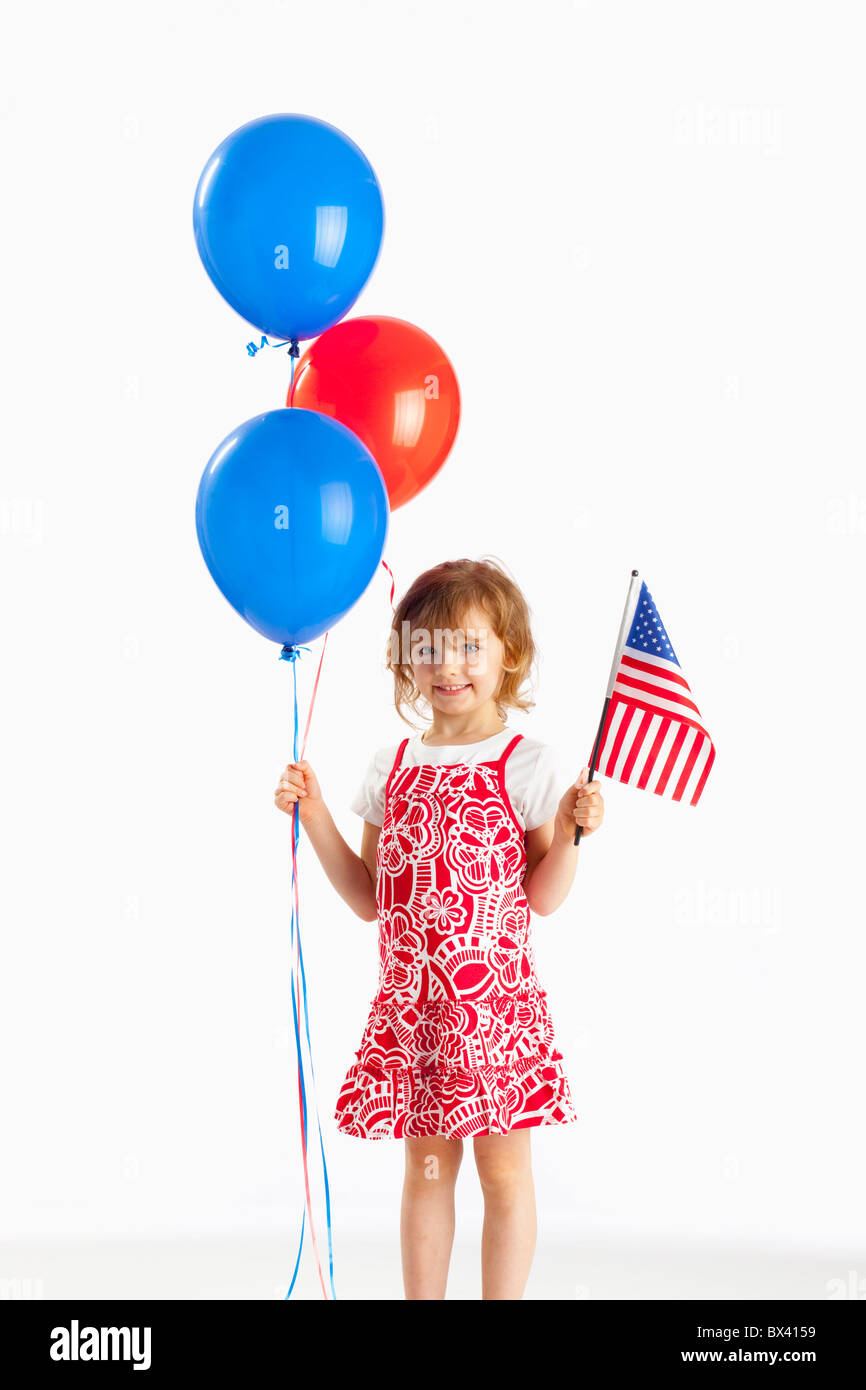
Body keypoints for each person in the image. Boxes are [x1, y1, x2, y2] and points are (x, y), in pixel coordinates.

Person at [274, 557, 604, 1299]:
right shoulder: (389, 767)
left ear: (507, 655)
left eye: (467, 646)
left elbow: (544, 897)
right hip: (416, 1013)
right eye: (425, 648)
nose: (445, 665)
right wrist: (316, 813)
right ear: (404, 661)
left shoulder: (529, 766)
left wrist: (574, 833)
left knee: (503, 1170)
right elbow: (369, 898)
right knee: (426, 1171)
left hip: (494, 1016)